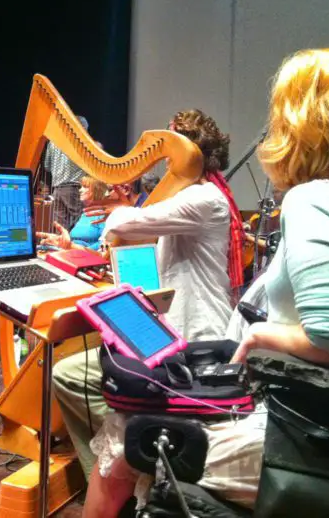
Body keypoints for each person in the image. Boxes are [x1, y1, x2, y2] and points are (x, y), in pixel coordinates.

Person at [83, 49, 329, 516]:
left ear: (297, 123)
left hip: (311, 441)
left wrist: (261, 335)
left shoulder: (314, 200)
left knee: (125, 430)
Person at [52, 109, 243, 486]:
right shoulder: (197, 196)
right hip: (177, 327)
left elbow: (122, 224)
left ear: (187, 153)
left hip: (196, 333)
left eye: (167, 149)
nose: (161, 160)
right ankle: (127, 467)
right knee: (82, 368)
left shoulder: (206, 199)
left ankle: (115, 477)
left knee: (68, 376)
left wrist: (115, 210)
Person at [36, 176, 108, 251]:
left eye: (85, 187)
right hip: (71, 254)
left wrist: (75, 248)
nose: (80, 190)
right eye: (81, 187)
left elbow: (104, 246)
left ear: (97, 190)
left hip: (86, 258)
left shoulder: (103, 216)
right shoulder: (84, 214)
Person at [43, 115, 89, 231]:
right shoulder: (80, 142)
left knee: (60, 227)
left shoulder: (53, 142)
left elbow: (47, 166)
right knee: (79, 224)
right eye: (85, 130)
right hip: (73, 188)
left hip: (57, 189)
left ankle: (62, 248)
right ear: (81, 128)